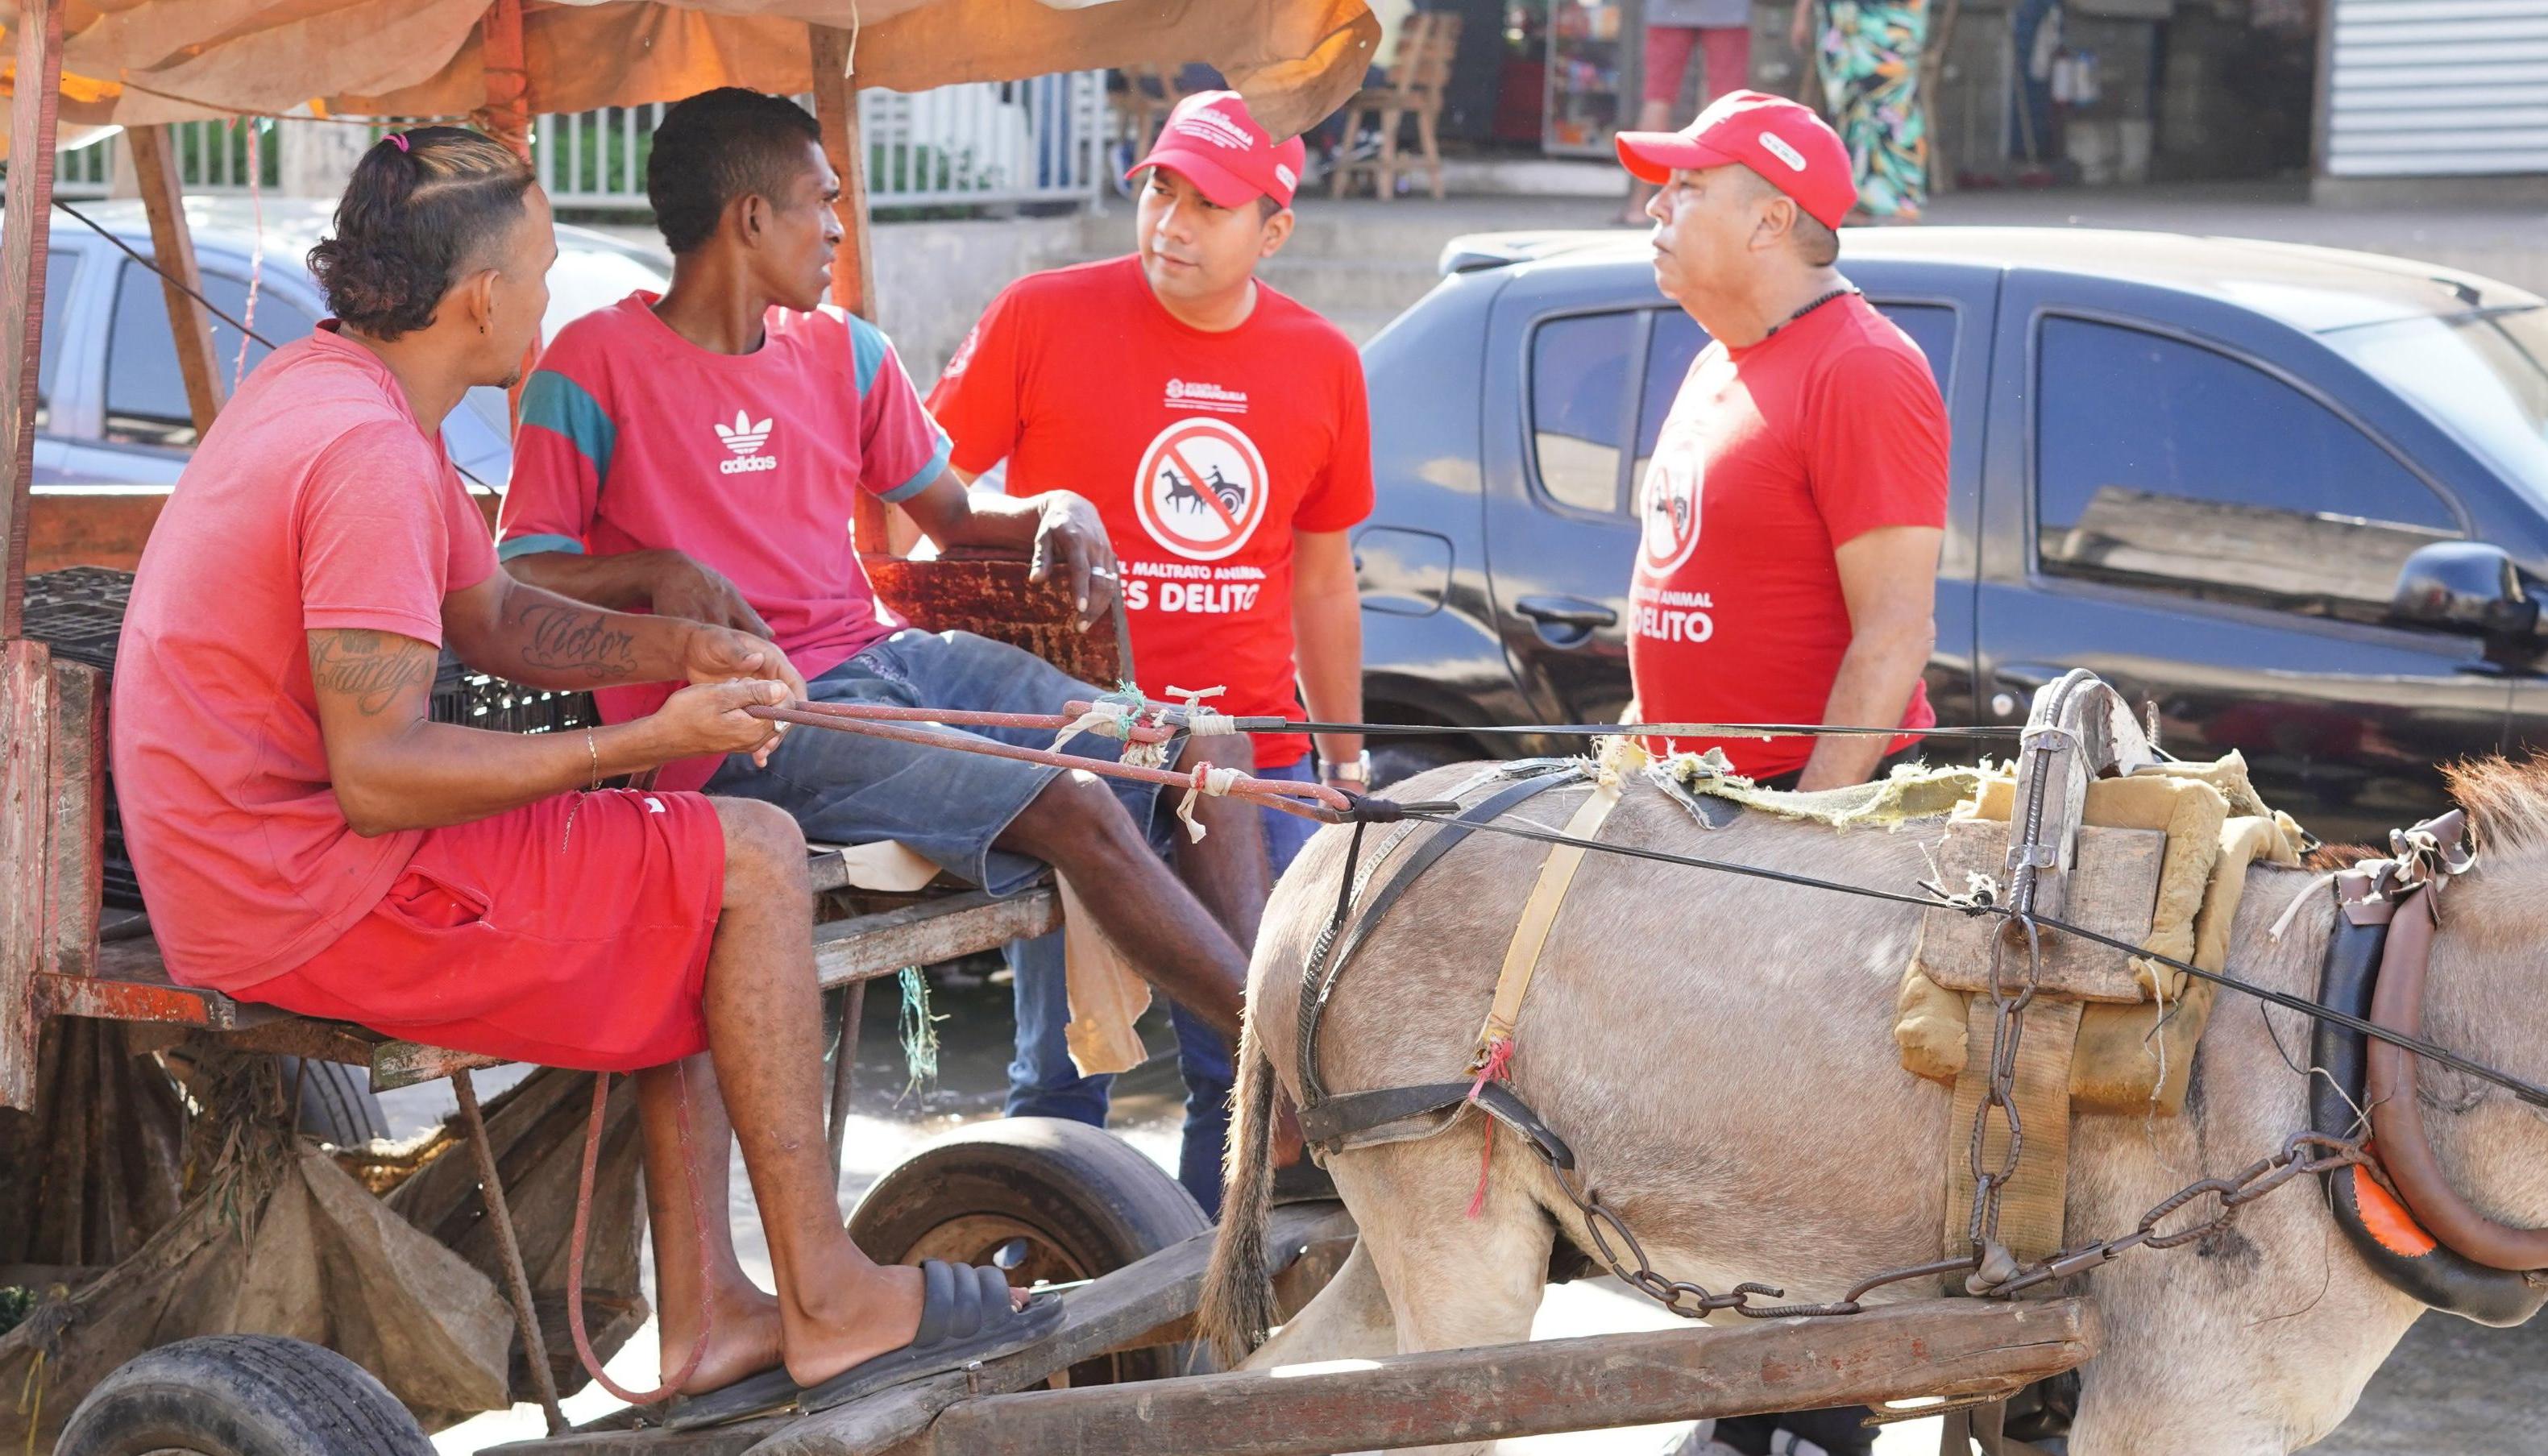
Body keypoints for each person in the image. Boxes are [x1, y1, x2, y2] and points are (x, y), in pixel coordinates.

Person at [111, 127, 1057, 1417]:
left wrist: (679, 643)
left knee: (690, 858)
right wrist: (645, 739)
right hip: (297, 893)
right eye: (544, 273)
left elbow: (491, 611)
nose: (553, 301)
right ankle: (822, 1293)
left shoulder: (333, 386)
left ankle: (718, 1309)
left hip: (269, 860)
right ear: (479, 299)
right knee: (749, 850)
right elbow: (380, 773)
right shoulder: (368, 456)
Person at [495, 89, 1268, 1198]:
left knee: (1205, 747)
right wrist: (655, 574)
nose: (839, 230)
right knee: (1074, 800)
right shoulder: (591, 364)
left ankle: (1267, 1066)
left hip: (888, 659)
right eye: (824, 203)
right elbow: (520, 575)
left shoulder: (844, 352)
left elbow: (955, 514)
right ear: (750, 219)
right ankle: (1286, 1053)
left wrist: (1056, 508)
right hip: (750, 721)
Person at [927, 90, 1372, 1216]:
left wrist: (1347, 752)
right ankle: (1051, 1311)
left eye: (1208, 204)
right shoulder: (1040, 313)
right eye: (1161, 190)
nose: (1171, 222)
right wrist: (1034, 508)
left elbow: (1320, 576)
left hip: (1253, 762)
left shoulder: (1321, 360)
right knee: (1064, 1068)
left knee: (1245, 1066)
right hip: (1080, 762)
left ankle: (1197, 1325)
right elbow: (921, 494)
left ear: (1271, 228)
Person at [1617, 90, 1945, 1456]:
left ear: (1770, 217)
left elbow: (1892, 635)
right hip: (1697, 816)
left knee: (1809, 1151)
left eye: (1683, 188)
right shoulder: (1717, 357)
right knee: (1718, 1147)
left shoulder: (1860, 368)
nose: (1654, 208)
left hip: (1807, 842)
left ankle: (1811, 1426)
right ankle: (1746, 1406)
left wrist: (1799, 847)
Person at [1791, 0, 1932, 220]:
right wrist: (1802, 13)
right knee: (1848, 108)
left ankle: (1903, 198)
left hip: (1890, 16)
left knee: (1893, 108)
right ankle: (1855, 197)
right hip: (1841, 20)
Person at [1623, 0, 1755, 224]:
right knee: (1722, 102)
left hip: (1667, 9)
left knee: (1658, 98)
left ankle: (1638, 207)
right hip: (1726, 10)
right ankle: (1710, 203)